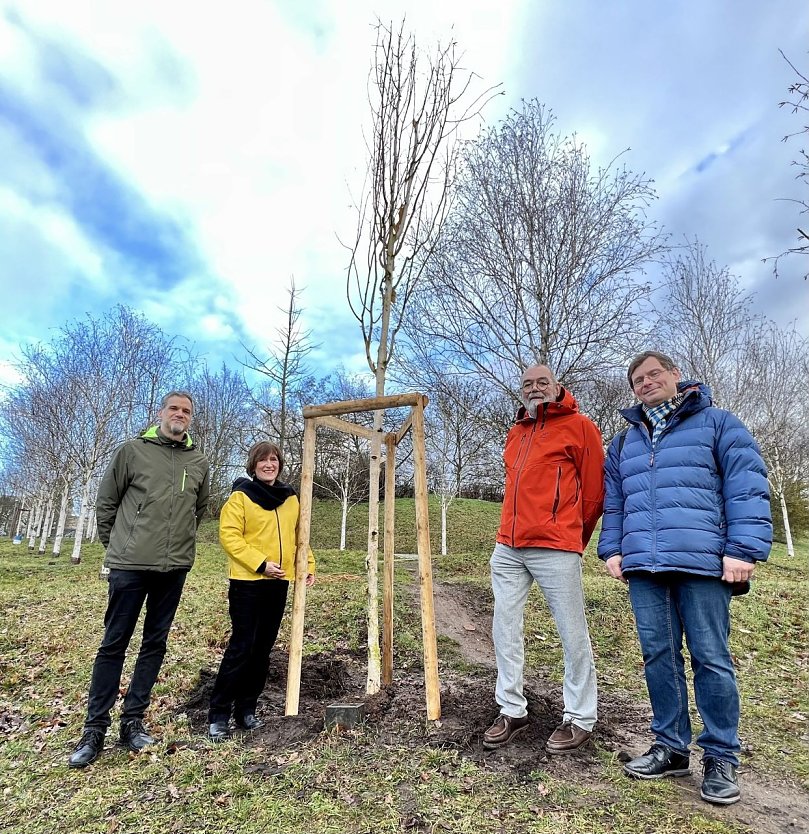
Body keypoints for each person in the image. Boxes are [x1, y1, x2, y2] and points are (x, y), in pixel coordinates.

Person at [597, 351, 771, 806]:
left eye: (654, 374)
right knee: (658, 656)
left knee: (711, 657)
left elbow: (746, 483)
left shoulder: (717, 423)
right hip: (644, 568)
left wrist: (743, 549)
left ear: (676, 376)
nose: (646, 382)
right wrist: (612, 549)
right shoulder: (623, 443)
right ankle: (671, 747)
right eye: (637, 379)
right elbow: (615, 502)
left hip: (703, 563)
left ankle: (721, 756)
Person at [69, 391, 210, 768]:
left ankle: (133, 721)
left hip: (174, 568)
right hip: (129, 566)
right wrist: (117, 547)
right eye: (174, 408)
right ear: (160, 413)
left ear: (191, 419)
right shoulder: (131, 451)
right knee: (114, 643)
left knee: (154, 644)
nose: (180, 414)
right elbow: (106, 503)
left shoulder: (197, 461)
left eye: (186, 411)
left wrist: (177, 546)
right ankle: (94, 728)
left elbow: (198, 510)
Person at [484, 365, 605, 753]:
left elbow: (593, 495)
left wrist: (572, 537)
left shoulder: (581, 426)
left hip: (555, 547)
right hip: (508, 548)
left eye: (542, 383)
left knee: (572, 632)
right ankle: (511, 708)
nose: (534, 389)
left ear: (556, 387)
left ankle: (581, 716)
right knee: (504, 628)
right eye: (527, 384)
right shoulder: (516, 432)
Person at [207, 441, 315, 741]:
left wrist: (308, 565)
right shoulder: (240, 497)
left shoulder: (290, 498)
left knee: (263, 649)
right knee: (242, 646)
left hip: (278, 583)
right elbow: (229, 537)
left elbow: (300, 536)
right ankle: (218, 714)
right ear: (253, 465)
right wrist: (260, 563)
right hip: (247, 583)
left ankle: (246, 710)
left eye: (274, 460)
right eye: (263, 460)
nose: (270, 465)